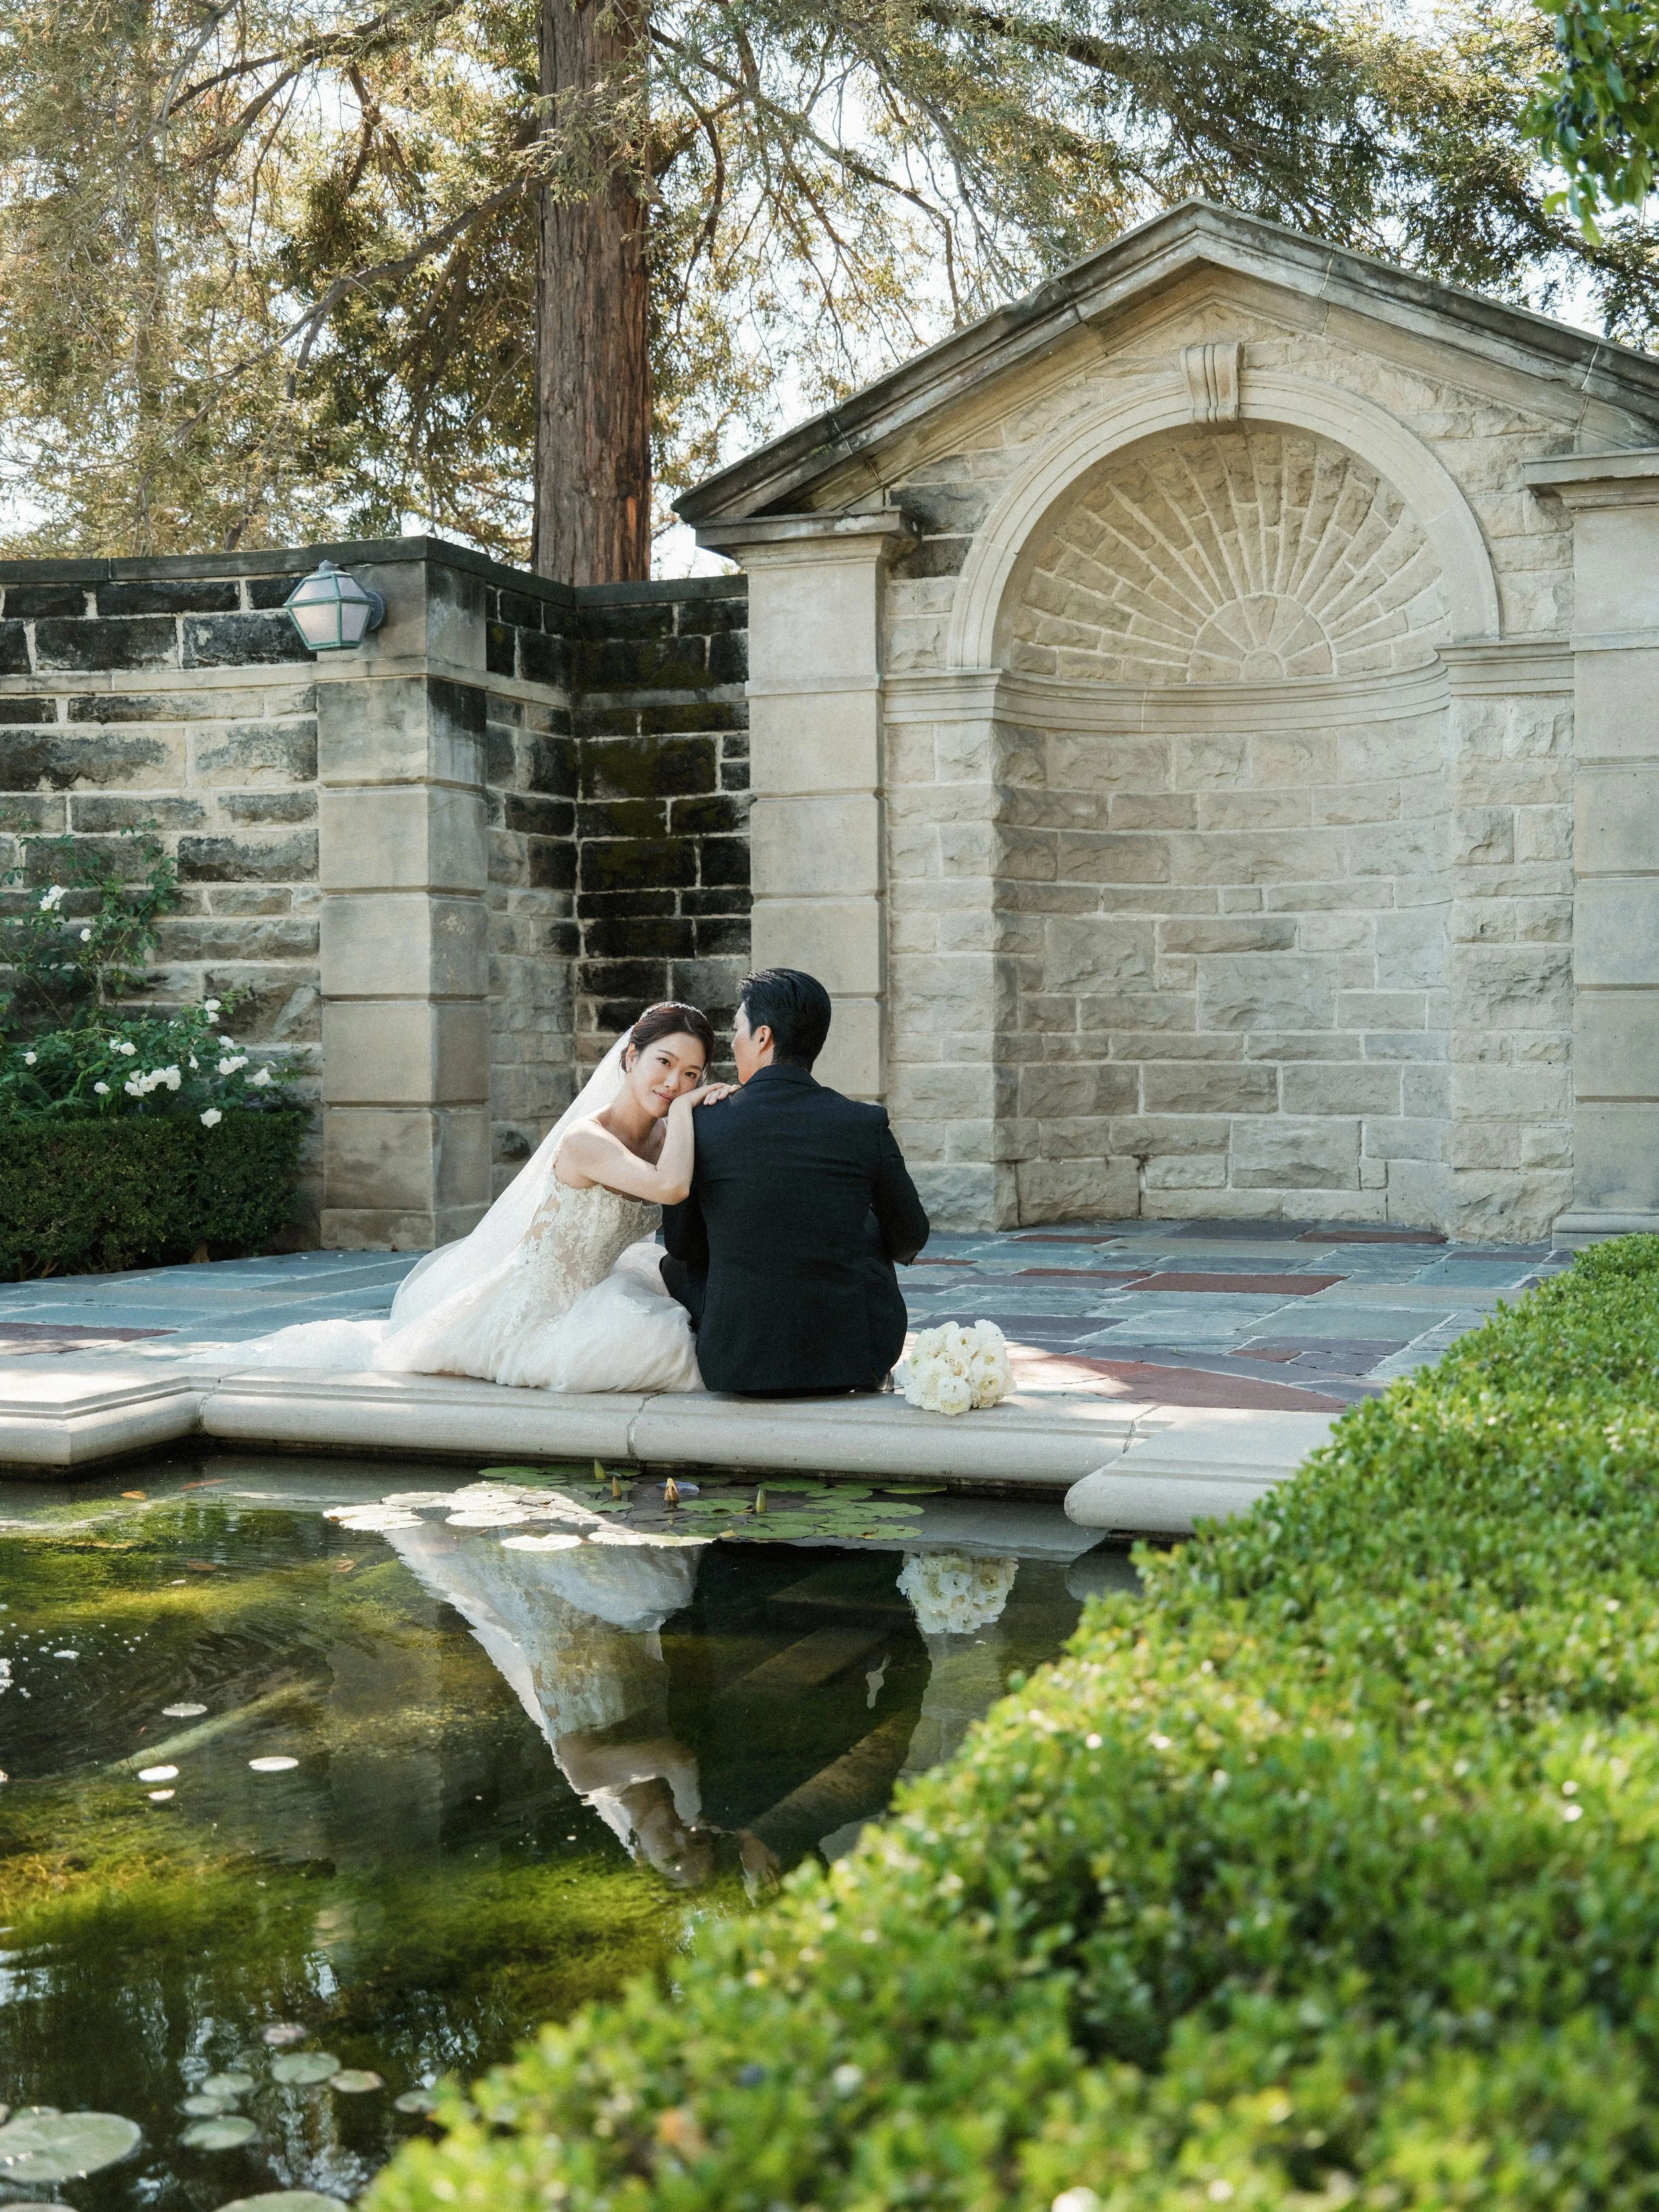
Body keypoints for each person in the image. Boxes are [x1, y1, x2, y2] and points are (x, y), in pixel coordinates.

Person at [206, 1002, 723, 1391]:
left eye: (691, 1075)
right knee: (661, 1346)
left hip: (601, 1287)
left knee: (667, 1332)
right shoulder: (587, 1140)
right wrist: (685, 1114)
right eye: (664, 1062)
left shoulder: (663, 1140)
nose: (674, 1083)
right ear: (630, 1057)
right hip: (538, 1308)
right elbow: (671, 1187)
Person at [659, 967, 930, 1395]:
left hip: (736, 1363)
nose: (732, 1042)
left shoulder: (703, 1124)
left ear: (763, 1036)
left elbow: (683, 1246)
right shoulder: (862, 1123)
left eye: (738, 1030)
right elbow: (911, 1235)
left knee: (678, 1260)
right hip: (854, 1359)